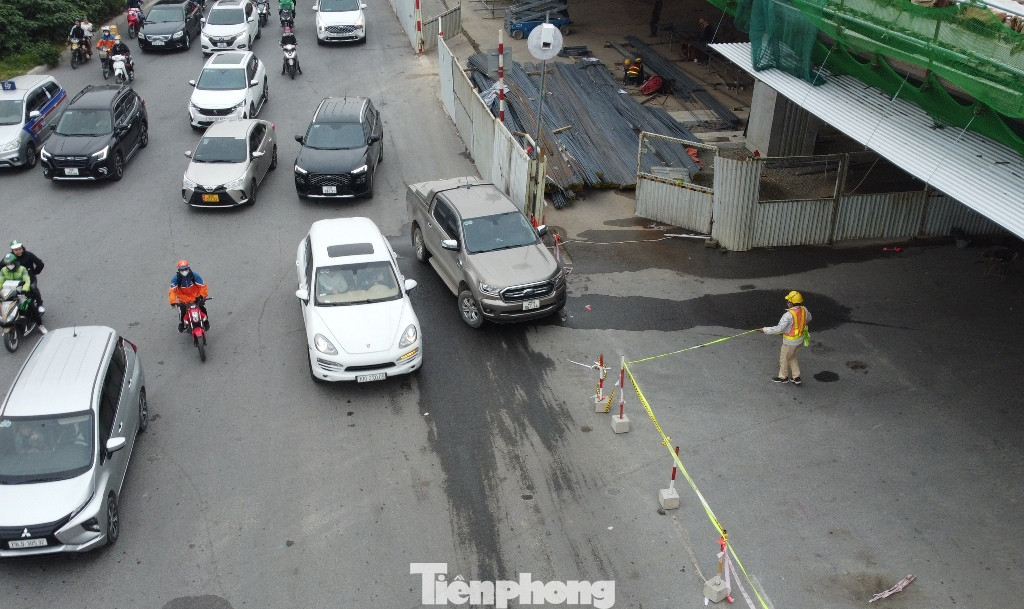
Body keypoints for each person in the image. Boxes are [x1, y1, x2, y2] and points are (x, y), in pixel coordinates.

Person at [759, 290, 811, 385]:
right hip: (800, 340)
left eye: (788, 301)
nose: (787, 302)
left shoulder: (788, 315)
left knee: (784, 359)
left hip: (789, 342)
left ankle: (783, 377)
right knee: (792, 357)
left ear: (791, 303)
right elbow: (808, 319)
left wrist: (765, 330)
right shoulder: (804, 310)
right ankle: (796, 377)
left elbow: (779, 329)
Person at [1, 253, 46, 335]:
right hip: (10, 293)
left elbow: (27, 280)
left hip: (23, 292)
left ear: (15, 262)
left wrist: (24, 289)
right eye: (7, 264)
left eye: (10, 263)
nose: (9, 265)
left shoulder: (22, 269)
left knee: (31, 306)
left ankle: (40, 325)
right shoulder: (4, 270)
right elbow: (0, 281)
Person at [168, 259, 210, 332]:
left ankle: (206, 322)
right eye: (182, 270)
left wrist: (201, 296)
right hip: (184, 299)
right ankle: (181, 323)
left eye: (185, 269)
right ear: (178, 270)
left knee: (202, 309)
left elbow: (203, 287)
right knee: (182, 311)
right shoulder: (176, 279)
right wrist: (173, 301)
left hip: (195, 297)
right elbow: (172, 291)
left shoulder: (194, 276)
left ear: (189, 268)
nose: (184, 271)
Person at [9, 240, 44, 313]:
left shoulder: (29, 255)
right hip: (16, 280)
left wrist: (34, 272)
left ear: (22, 248)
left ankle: (40, 304)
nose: (18, 251)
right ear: (12, 250)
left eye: (19, 249)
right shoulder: (9, 257)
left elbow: (40, 264)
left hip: (30, 278)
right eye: (16, 250)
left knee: (33, 289)